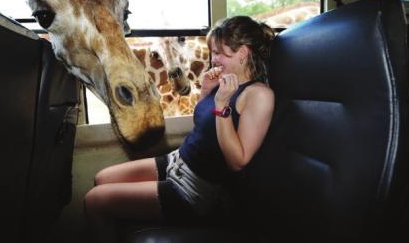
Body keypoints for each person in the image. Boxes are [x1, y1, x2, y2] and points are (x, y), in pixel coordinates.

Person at [84, 15, 276, 242]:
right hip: (178, 162)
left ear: (243, 53)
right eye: (213, 52)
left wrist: (222, 105)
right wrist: (206, 92)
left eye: (219, 53)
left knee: (94, 201)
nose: (214, 60)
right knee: (102, 178)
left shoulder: (259, 95)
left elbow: (238, 161)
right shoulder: (224, 82)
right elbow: (203, 128)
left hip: (196, 189)